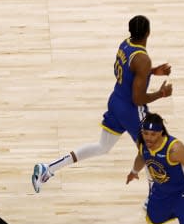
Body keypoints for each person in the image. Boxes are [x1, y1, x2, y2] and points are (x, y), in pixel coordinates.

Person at [32, 15, 171, 192]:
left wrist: (152, 72)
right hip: (131, 110)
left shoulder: (126, 44)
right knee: (151, 149)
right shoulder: (143, 59)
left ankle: (48, 168)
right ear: (148, 33)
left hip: (116, 101)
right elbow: (138, 98)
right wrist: (161, 93)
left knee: (102, 147)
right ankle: (155, 200)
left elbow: (130, 71)